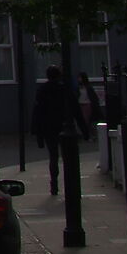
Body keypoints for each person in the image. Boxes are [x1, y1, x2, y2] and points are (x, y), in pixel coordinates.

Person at [31, 64, 88, 194]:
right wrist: (84, 130)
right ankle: (70, 184)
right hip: (63, 125)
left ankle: (54, 184)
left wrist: (38, 134)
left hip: (48, 127)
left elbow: (37, 112)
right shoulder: (64, 89)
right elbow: (76, 111)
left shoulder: (42, 90)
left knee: (53, 156)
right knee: (68, 157)